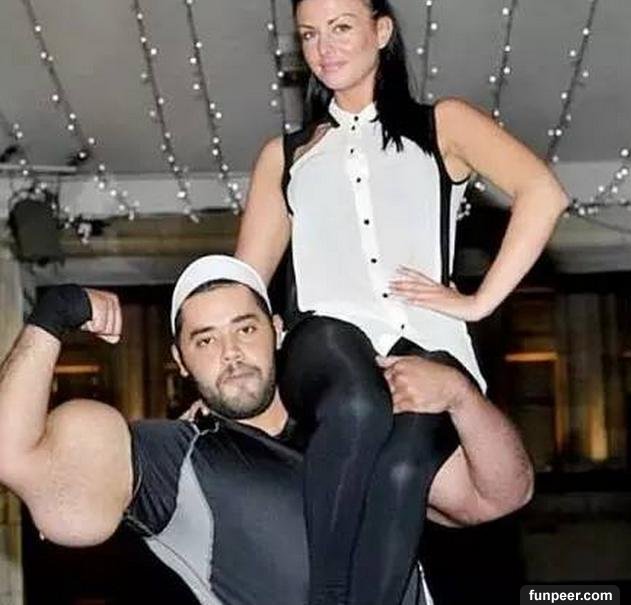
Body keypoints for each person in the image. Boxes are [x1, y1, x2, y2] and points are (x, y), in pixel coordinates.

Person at [235, 0, 568, 603]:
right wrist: (217, 384)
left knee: (403, 467)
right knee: (359, 403)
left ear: (381, 31)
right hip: (325, 343)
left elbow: (542, 192)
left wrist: (478, 303)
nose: (324, 48)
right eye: (310, 34)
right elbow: (244, 290)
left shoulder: (443, 125)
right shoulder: (284, 157)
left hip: (427, 343)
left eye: (341, 28)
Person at [0, 255, 533, 605]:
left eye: (245, 329)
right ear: (180, 360)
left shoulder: (361, 422)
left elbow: (501, 495)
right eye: (205, 340)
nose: (231, 353)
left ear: (277, 332)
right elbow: (13, 454)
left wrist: (462, 398)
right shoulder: (168, 456)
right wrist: (52, 316)